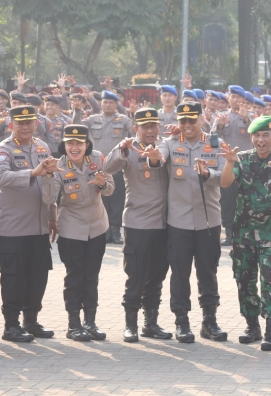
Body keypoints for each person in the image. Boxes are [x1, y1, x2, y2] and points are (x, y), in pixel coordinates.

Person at [145, 102, 232, 343]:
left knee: (208, 271)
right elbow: (158, 159)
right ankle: (181, 321)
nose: (186, 125)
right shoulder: (170, 143)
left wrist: (207, 174)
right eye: (182, 121)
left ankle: (209, 321)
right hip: (179, 221)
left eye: (191, 120)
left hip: (208, 220)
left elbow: (225, 177)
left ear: (201, 120)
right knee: (180, 273)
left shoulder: (215, 144)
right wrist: (153, 158)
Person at [224, 115, 271, 351]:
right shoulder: (242, 159)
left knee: (269, 279)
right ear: (251, 137)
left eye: (266, 135)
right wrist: (228, 162)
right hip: (243, 233)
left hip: (269, 233)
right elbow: (225, 183)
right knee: (244, 280)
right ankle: (252, 326)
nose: (261, 140)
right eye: (257, 135)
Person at [103, 109, 172, 343]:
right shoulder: (128, 149)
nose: (150, 130)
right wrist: (122, 149)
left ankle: (150, 323)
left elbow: (162, 157)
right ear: (136, 129)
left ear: (159, 127)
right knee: (136, 275)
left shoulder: (166, 146)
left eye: (154, 126)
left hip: (164, 224)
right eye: (145, 127)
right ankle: (130, 324)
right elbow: (108, 167)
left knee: (157, 276)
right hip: (137, 223)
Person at [42, 124, 114, 341]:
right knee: (75, 276)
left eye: (79, 143)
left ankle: (90, 322)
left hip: (97, 226)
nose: (75, 147)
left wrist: (102, 184)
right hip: (72, 227)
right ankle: (73, 324)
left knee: (91, 276)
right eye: (70, 143)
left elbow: (110, 189)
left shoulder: (98, 159)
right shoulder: (59, 165)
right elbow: (48, 199)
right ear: (64, 145)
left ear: (87, 145)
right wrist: (48, 175)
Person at [0, 106, 58, 342]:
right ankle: (11, 325)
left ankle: (31, 321)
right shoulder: (5, 149)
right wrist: (32, 173)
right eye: (20, 123)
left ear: (36, 123)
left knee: (37, 276)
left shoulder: (42, 147)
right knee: (14, 277)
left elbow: (49, 182)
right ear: (11, 124)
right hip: (13, 228)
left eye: (29, 122)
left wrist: (53, 215)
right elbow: (2, 177)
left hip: (40, 226)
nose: (25, 127)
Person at [73, 90, 135, 245]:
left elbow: (134, 131)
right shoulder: (92, 119)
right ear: (101, 103)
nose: (108, 105)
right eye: (105, 102)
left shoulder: (123, 119)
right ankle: (104, 230)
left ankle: (115, 230)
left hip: (116, 165)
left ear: (116, 104)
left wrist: (133, 115)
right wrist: (77, 111)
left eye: (111, 102)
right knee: (100, 198)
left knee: (117, 198)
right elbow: (76, 128)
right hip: (96, 166)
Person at [213, 85, 253, 247]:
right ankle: (229, 232)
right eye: (233, 97)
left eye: (239, 97)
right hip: (227, 165)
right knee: (227, 199)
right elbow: (213, 139)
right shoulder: (221, 116)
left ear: (244, 100)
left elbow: (257, 136)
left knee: (247, 199)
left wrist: (246, 120)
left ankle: (246, 232)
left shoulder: (251, 116)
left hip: (246, 164)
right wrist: (221, 126)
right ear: (228, 98)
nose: (235, 100)